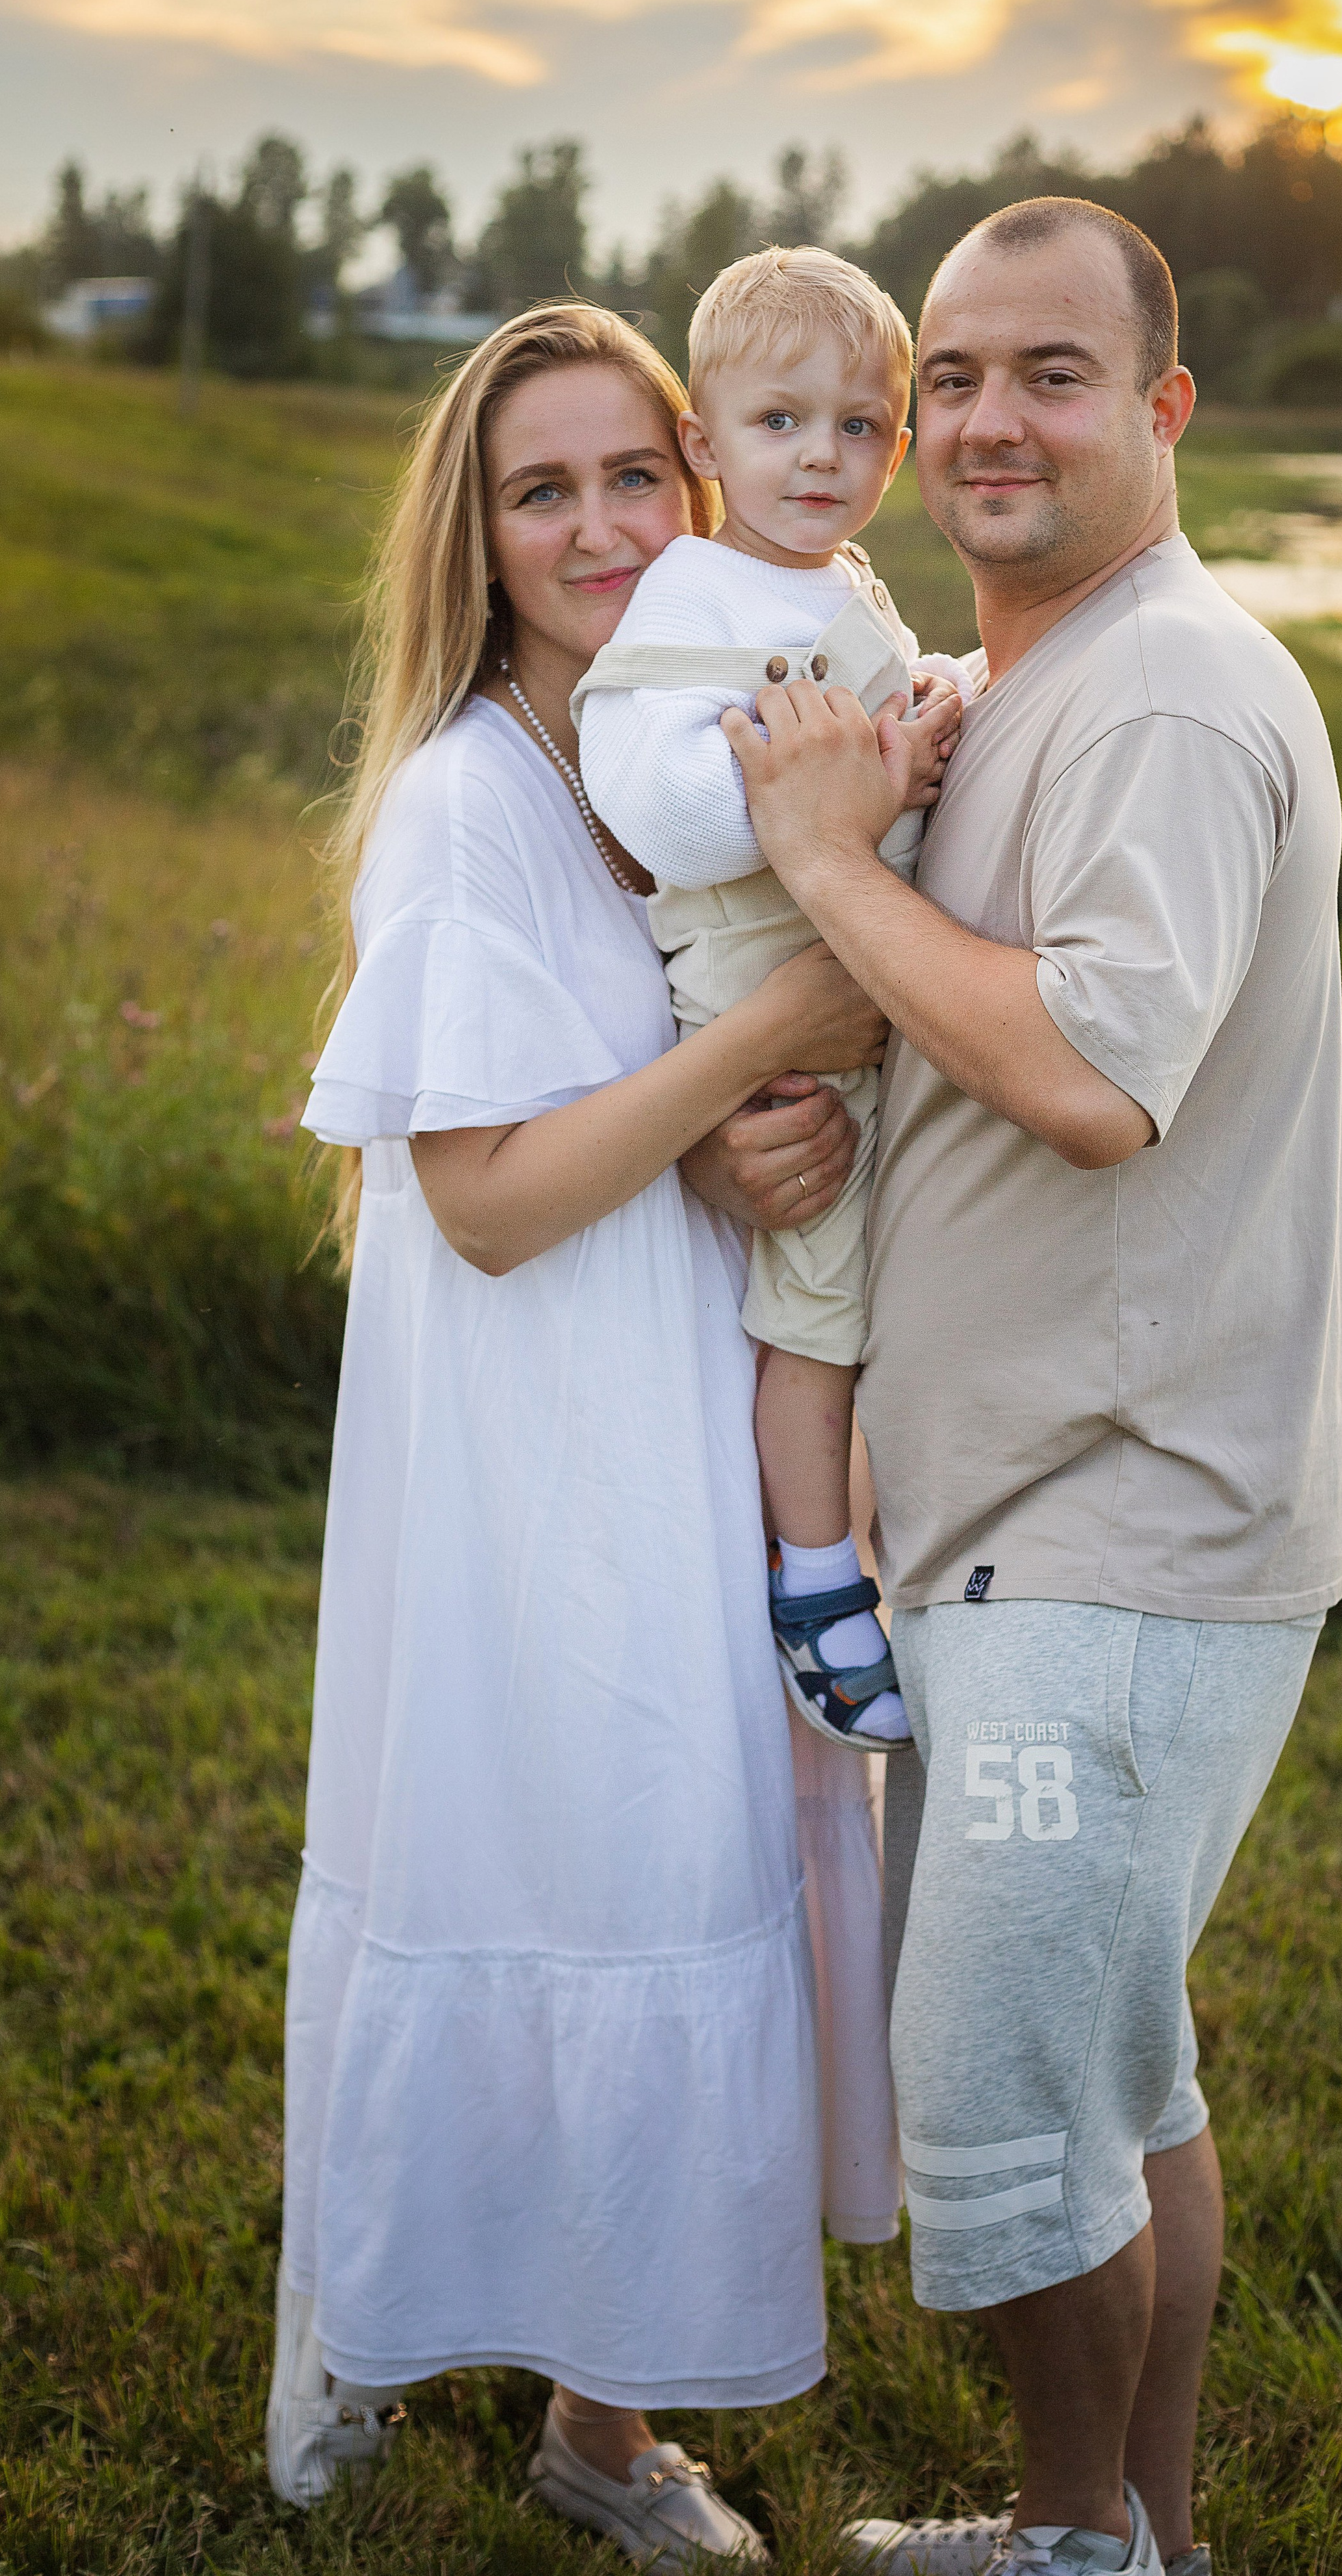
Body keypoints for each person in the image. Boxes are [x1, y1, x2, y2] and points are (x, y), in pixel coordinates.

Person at [716, 199, 1342, 2576]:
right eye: (953, 374)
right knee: (1119, 2078)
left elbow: (1092, 1070)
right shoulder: (1046, 683)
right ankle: (1135, 2544)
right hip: (1045, 1523)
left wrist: (818, 859)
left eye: (1051, 374)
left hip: (1118, 1541)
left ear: (1162, 411)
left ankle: (1078, 2548)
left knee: (1004, 2106)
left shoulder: (1170, 692)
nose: (987, 417)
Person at [268, 300, 903, 2557]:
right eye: (547, 490)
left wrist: (757, 1132)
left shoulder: (691, 732)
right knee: (597, 1860)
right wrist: (763, 1057)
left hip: (683, 1388)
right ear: (484, 527)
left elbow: (658, 1083)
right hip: (549, 1443)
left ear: (704, 474)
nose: (606, 525)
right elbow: (494, 1194)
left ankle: (595, 2427)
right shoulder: (470, 796)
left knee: (683, 1861)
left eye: (638, 473)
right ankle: (538, 2402)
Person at [576, 246, 966, 1758]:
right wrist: (872, 776)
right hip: (775, 1029)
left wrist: (932, 698)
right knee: (814, 1317)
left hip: (865, 995)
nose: (822, 458)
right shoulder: (690, 588)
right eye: (779, 423)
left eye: (859, 427)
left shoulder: (829, 577)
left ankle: (891, 1546)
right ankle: (815, 1582)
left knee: (870, 1303)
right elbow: (669, 808)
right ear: (703, 445)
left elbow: (860, 709)